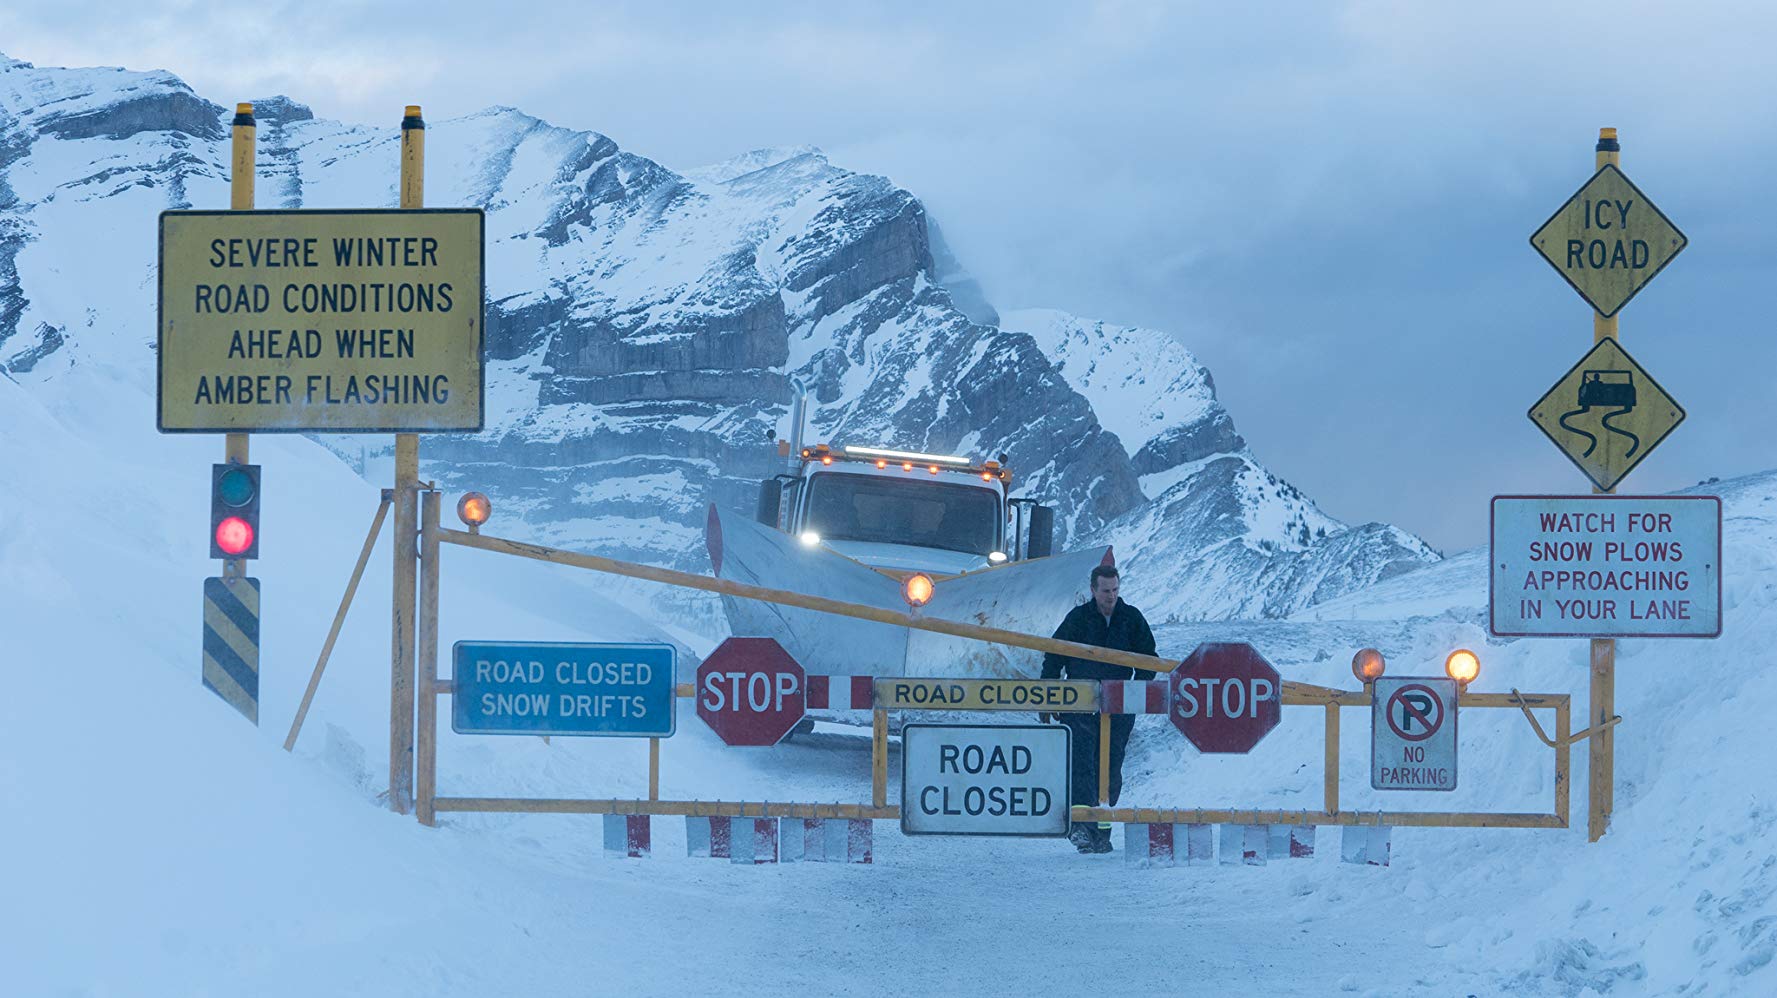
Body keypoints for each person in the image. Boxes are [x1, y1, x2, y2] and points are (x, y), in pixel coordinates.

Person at [1039, 564, 1157, 854]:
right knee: (1082, 766)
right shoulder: (1078, 619)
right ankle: (1081, 828)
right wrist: (1048, 697)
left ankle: (1103, 831)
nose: (1111, 596)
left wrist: (1133, 694)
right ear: (1093, 590)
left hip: (1117, 709)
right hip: (1079, 707)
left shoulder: (1131, 619)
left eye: (1115, 590)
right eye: (1106, 591)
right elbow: (1053, 657)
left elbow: (1150, 661)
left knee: (1110, 768)